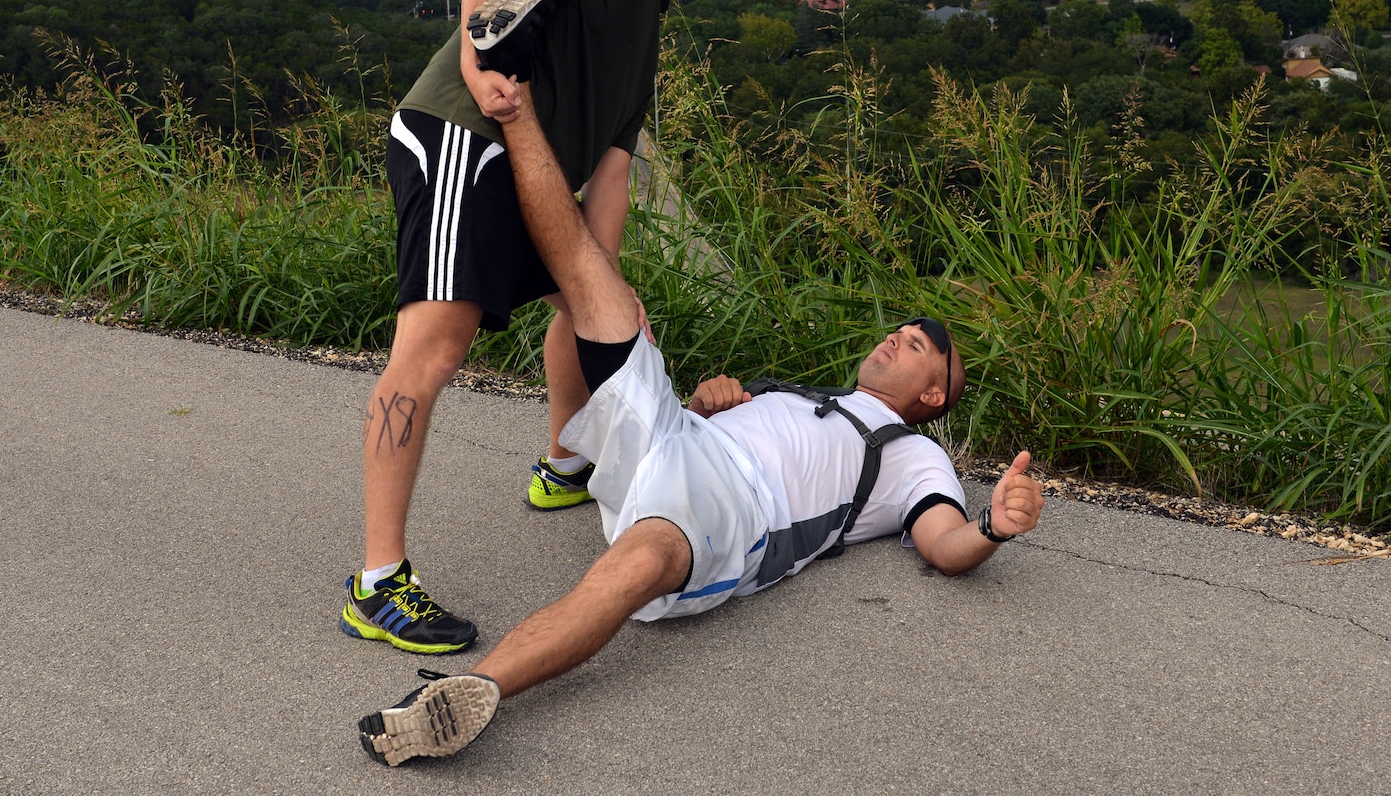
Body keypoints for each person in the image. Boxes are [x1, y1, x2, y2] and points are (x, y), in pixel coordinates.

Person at [355, 103, 1046, 766]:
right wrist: (708, 402)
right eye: (902, 329)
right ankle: (518, 118)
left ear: (933, 394)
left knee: (635, 568)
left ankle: (475, 690)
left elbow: (945, 546)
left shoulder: (913, 455)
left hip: (736, 507)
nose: (902, 336)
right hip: (678, 436)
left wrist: (994, 526)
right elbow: (711, 413)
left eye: (922, 345)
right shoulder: (804, 392)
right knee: (597, 283)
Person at [341, 0, 742, 655]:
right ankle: (377, 583)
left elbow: (615, 174)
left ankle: (563, 463)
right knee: (433, 347)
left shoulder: (647, 26)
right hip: (468, 137)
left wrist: (610, 293)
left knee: (586, 303)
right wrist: (475, 65)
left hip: (538, 171)